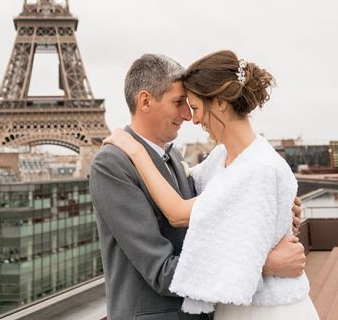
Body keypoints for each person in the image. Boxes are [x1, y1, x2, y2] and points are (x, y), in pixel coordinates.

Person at [90, 53, 306, 320]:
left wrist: (278, 211)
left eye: (191, 105)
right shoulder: (112, 164)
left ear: (220, 103)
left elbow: (220, 215)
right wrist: (264, 264)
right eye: (179, 102)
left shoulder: (177, 158)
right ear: (145, 101)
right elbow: (161, 270)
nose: (187, 116)